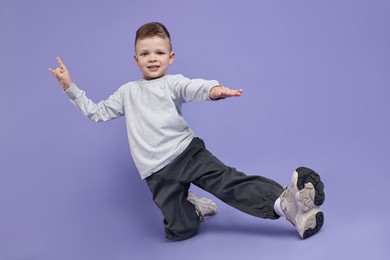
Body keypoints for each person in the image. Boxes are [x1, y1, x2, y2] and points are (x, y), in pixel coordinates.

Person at [49, 22, 325, 241]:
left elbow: (191, 87)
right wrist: (70, 87)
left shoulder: (172, 83)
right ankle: (193, 208)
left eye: (159, 53)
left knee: (227, 181)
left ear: (170, 57)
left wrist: (213, 90)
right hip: (155, 172)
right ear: (136, 59)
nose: (152, 59)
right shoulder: (127, 92)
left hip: (186, 153)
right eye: (145, 53)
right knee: (179, 231)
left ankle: (284, 202)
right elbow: (96, 113)